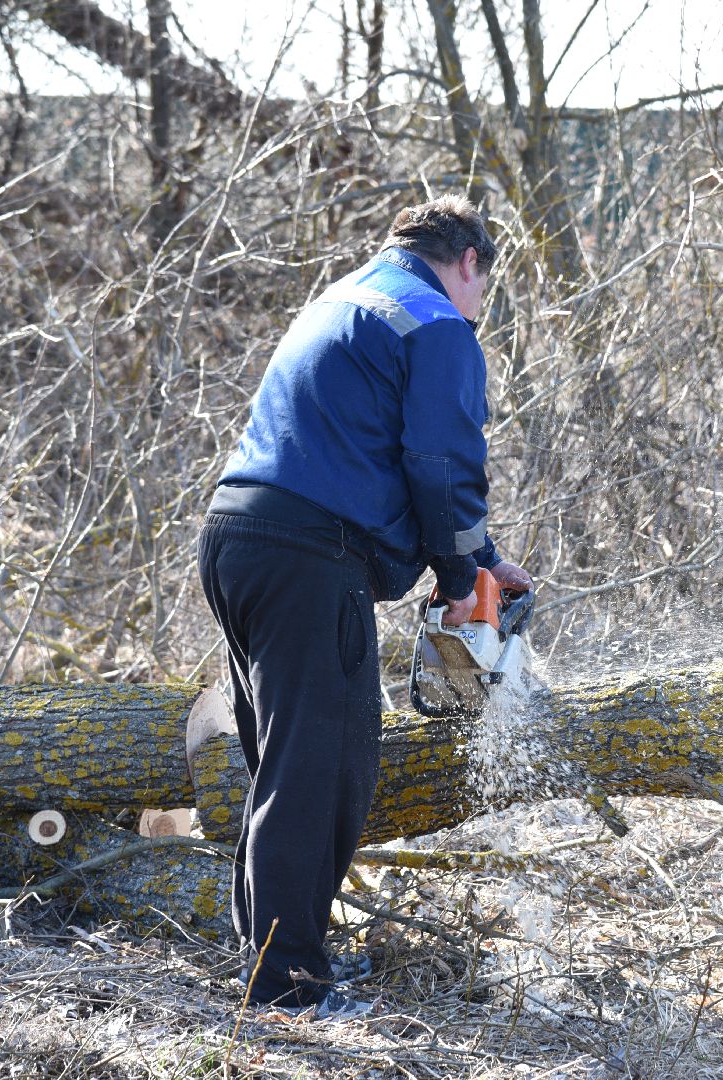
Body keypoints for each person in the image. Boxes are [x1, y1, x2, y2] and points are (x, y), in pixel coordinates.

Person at [198, 195, 531, 1020]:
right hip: (311, 558)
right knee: (324, 776)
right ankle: (288, 994)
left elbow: (363, 443)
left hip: (237, 539)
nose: (479, 307)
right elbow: (441, 462)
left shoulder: (348, 298)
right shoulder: (437, 323)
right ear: (468, 262)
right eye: (484, 288)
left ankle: (264, 966)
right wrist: (460, 588)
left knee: (283, 766)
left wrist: (483, 561)